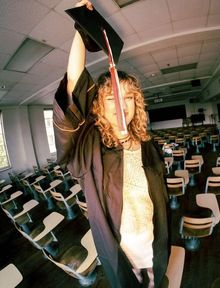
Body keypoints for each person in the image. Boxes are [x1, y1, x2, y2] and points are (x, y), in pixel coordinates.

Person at [53, 1, 171, 287]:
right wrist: (83, 27)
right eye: (111, 99)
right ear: (99, 107)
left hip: (155, 244)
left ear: (136, 104)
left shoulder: (147, 144)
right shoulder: (88, 149)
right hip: (121, 253)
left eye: (128, 97)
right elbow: (73, 84)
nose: (121, 105)